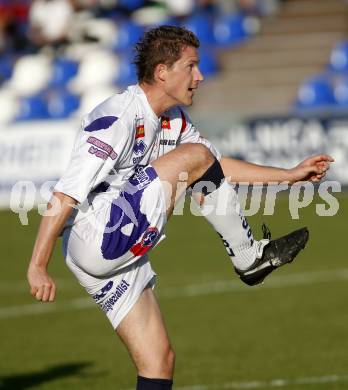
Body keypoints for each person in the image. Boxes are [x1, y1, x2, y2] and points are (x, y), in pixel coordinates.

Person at [27, 25, 333, 389]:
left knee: (158, 362)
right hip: (96, 234)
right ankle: (248, 257)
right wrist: (37, 266)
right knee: (196, 157)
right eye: (191, 66)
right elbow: (63, 195)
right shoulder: (117, 118)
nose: (199, 76)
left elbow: (214, 169)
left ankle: (249, 257)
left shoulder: (173, 120)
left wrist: (288, 175)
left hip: (111, 254)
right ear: (162, 72)